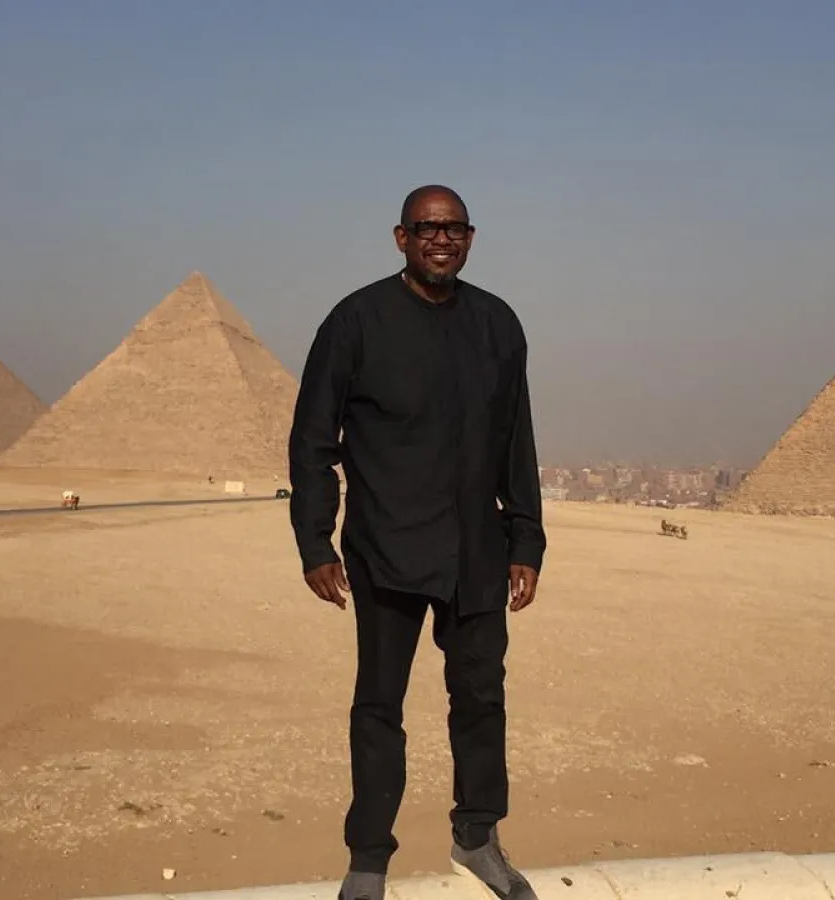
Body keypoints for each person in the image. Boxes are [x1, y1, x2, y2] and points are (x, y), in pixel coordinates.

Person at [288, 185, 546, 900]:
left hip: (477, 551)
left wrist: (526, 540)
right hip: (387, 547)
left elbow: (516, 440)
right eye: (427, 228)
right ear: (401, 237)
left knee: (481, 699)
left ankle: (478, 838)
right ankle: (368, 858)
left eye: (454, 229)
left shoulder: (498, 325)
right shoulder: (355, 322)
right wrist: (315, 542)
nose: (441, 240)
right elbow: (313, 440)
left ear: (470, 238)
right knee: (379, 705)